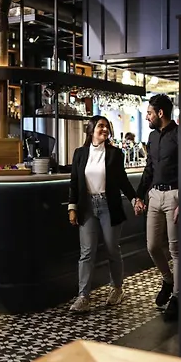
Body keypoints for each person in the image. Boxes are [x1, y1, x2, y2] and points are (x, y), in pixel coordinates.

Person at [68, 115, 137, 313]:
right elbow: (74, 182)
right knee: (86, 252)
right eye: (101, 126)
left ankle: (117, 289)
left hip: (109, 205)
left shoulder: (115, 153)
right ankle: (83, 296)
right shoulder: (80, 153)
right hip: (87, 206)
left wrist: (134, 198)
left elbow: (122, 180)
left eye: (107, 126)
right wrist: (72, 207)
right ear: (91, 130)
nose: (105, 129)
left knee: (112, 248)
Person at [134, 94, 179, 322]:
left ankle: (178, 297)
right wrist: (139, 195)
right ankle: (168, 280)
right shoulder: (152, 137)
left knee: (175, 250)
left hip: (175, 196)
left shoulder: (180, 135)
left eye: (149, 113)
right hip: (154, 195)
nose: (147, 117)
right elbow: (149, 168)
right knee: (152, 245)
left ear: (160, 113)